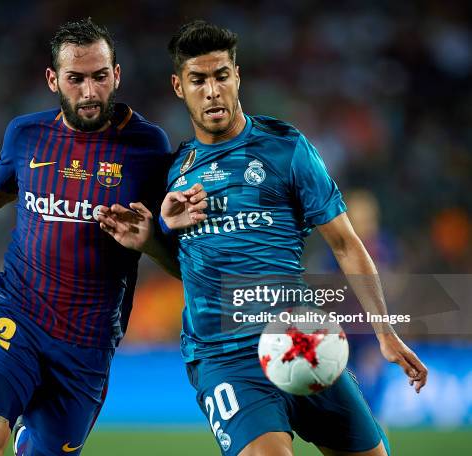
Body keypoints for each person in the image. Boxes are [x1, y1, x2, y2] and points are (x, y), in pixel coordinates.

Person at [97, 20, 428, 456]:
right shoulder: (173, 173)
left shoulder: (286, 149)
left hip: (301, 336)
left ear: (237, 77)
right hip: (225, 356)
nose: (212, 90)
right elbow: (191, 269)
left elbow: (347, 244)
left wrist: (385, 333)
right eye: (199, 80)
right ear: (179, 86)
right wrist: (152, 240)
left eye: (220, 76)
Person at [0, 18, 205, 456]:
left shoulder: (148, 147)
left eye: (99, 77)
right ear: (54, 79)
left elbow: (175, 260)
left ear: (117, 75)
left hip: (86, 344)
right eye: (76, 79)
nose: (89, 92)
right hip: (16, 314)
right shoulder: (26, 135)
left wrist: (150, 240)